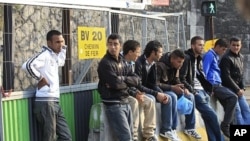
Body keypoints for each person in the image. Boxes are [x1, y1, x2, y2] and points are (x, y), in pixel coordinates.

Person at [22, 30, 72, 141]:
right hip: (45, 102)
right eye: (57, 42)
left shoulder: (53, 56)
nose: (61, 45)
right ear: (49, 43)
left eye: (62, 42)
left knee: (66, 137)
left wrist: (63, 49)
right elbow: (27, 65)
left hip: (54, 102)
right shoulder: (45, 55)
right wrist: (41, 78)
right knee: (50, 138)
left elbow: (61, 62)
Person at [179, 36, 224, 141]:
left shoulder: (198, 58)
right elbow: (182, 78)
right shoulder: (187, 58)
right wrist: (193, 91)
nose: (202, 47)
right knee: (213, 117)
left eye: (203, 45)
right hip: (195, 92)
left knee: (209, 119)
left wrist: (209, 88)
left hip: (203, 91)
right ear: (192, 45)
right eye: (199, 45)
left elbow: (201, 76)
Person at [97, 33, 140, 141]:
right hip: (113, 103)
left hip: (125, 101)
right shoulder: (105, 63)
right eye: (110, 44)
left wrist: (122, 79)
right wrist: (124, 81)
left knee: (130, 135)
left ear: (120, 46)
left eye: (115, 44)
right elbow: (115, 84)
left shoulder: (123, 60)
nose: (112, 47)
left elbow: (136, 80)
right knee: (125, 137)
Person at [134, 40, 179, 141]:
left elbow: (153, 84)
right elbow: (138, 85)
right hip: (139, 91)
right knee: (151, 99)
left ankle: (168, 130)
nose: (162, 54)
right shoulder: (139, 63)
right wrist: (156, 93)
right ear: (153, 52)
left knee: (170, 97)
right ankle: (149, 133)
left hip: (148, 90)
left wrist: (161, 93)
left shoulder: (153, 63)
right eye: (160, 52)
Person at [157, 49, 201, 140]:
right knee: (172, 96)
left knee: (190, 96)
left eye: (182, 62)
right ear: (172, 59)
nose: (181, 65)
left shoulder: (176, 67)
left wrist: (183, 88)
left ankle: (190, 127)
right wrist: (172, 87)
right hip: (161, 90)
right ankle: (169, 129)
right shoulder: (160, 65)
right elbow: (156, 84)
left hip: (171, 88)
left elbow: (176, 80)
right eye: (179, 62)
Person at [122, 40, 157, 141]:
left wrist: (137, 92)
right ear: (130, 52)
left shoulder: (131, 64)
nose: (139, 54)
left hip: (130, 92)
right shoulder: (121, 63)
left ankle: (149, 134)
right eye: (137, 52)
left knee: (149, 101)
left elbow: (134, 82)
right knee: (134, 102)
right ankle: (134, 137)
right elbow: (122, 84)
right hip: (121, 94)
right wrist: (135, 94)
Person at [202, 38, 238, 138]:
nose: (224, 52)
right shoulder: (209, 55)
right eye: (223, 49)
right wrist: (208, 87)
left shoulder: (215, 56)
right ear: (217, 47)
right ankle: (225, 126)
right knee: (233, 97)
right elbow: (204, 71)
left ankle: (231, 130)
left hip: (218, 84)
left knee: (230, 107)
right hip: (214, 85)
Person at [219, 37, 250, 125]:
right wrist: (237, 89)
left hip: (238, 89)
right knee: (237, 112)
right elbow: (226, 76)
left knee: (246, 109)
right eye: (233, 45)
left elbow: (241, 74)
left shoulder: (241, 57)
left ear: (241, 46)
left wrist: (242, 87)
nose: (236, 47)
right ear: (230, 45)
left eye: (238, 45)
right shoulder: (226, 58)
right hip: (229, 88)